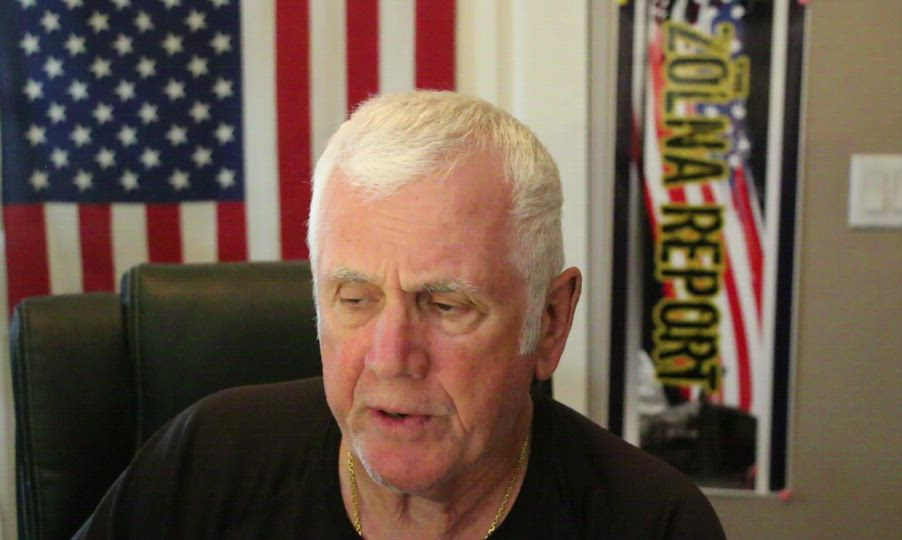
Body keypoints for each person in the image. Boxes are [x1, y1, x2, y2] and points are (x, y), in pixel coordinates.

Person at [74, 91, 725, 539]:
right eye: (355, 299)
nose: (390, 358)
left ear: (550, 320)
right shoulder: (208, 461)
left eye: (445, 305)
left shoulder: (653, 523)